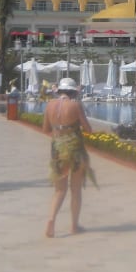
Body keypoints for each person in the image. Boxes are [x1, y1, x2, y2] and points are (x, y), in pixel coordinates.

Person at [41, 77, 95, 238]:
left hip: (57, 148)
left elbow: (45, 129)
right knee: (76, 190)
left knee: (59, 190)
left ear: (60, 91)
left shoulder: (50, 105)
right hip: (75, 148)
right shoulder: (75, 105)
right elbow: (88, 129)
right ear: (73, 92)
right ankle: (74, 225)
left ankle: (51, 220)